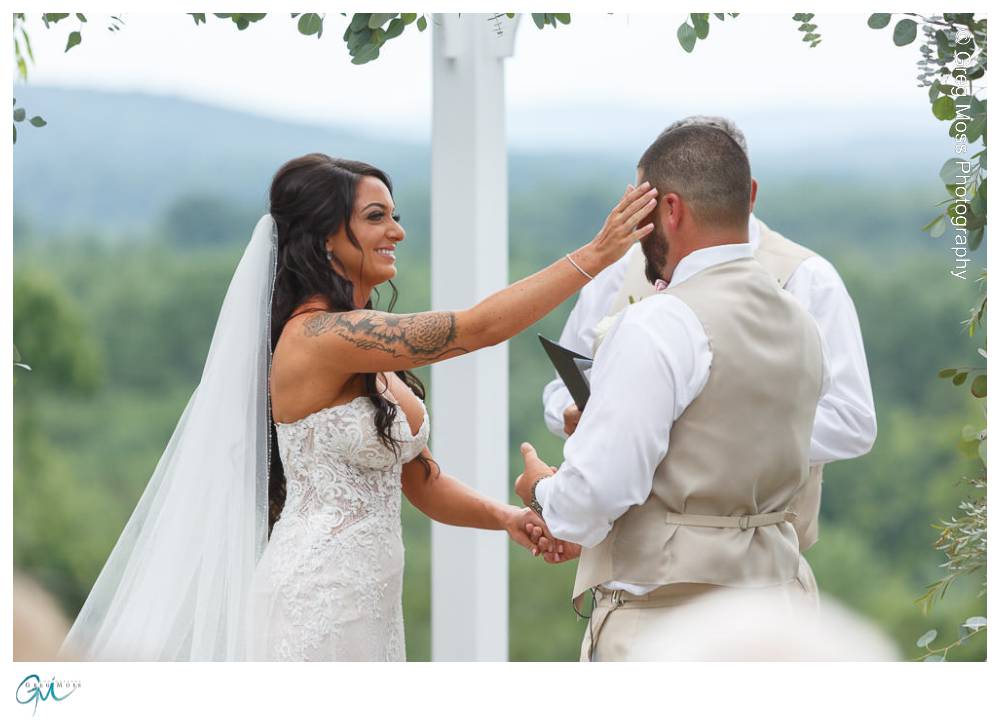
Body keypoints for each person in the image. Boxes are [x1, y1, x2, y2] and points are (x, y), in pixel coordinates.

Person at [59, 154, 657, 662]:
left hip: (369, 599)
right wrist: (598, 255)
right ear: (323, 238)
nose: (396, 230)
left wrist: (506, 518)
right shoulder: (321, 337)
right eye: (376, 218)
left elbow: (421, 482)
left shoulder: (367, 350)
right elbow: (473, 329)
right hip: (314, 598)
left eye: (394, 215)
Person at [515, 125, 830, 661]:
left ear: (672, 211)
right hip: (780, 614)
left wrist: (542, 489)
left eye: (642, 213)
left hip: (670, 623)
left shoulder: (659, 323)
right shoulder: (801, 318)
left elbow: (593, 497)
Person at [540, 115, 877, 581]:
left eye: (646, 206)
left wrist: (665, 427)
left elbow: (854, 422)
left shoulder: (806, 281)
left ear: (671, 208)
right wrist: (592, 415)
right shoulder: (621, 272)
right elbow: (560, 389)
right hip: (702, 569)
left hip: (681, 591)